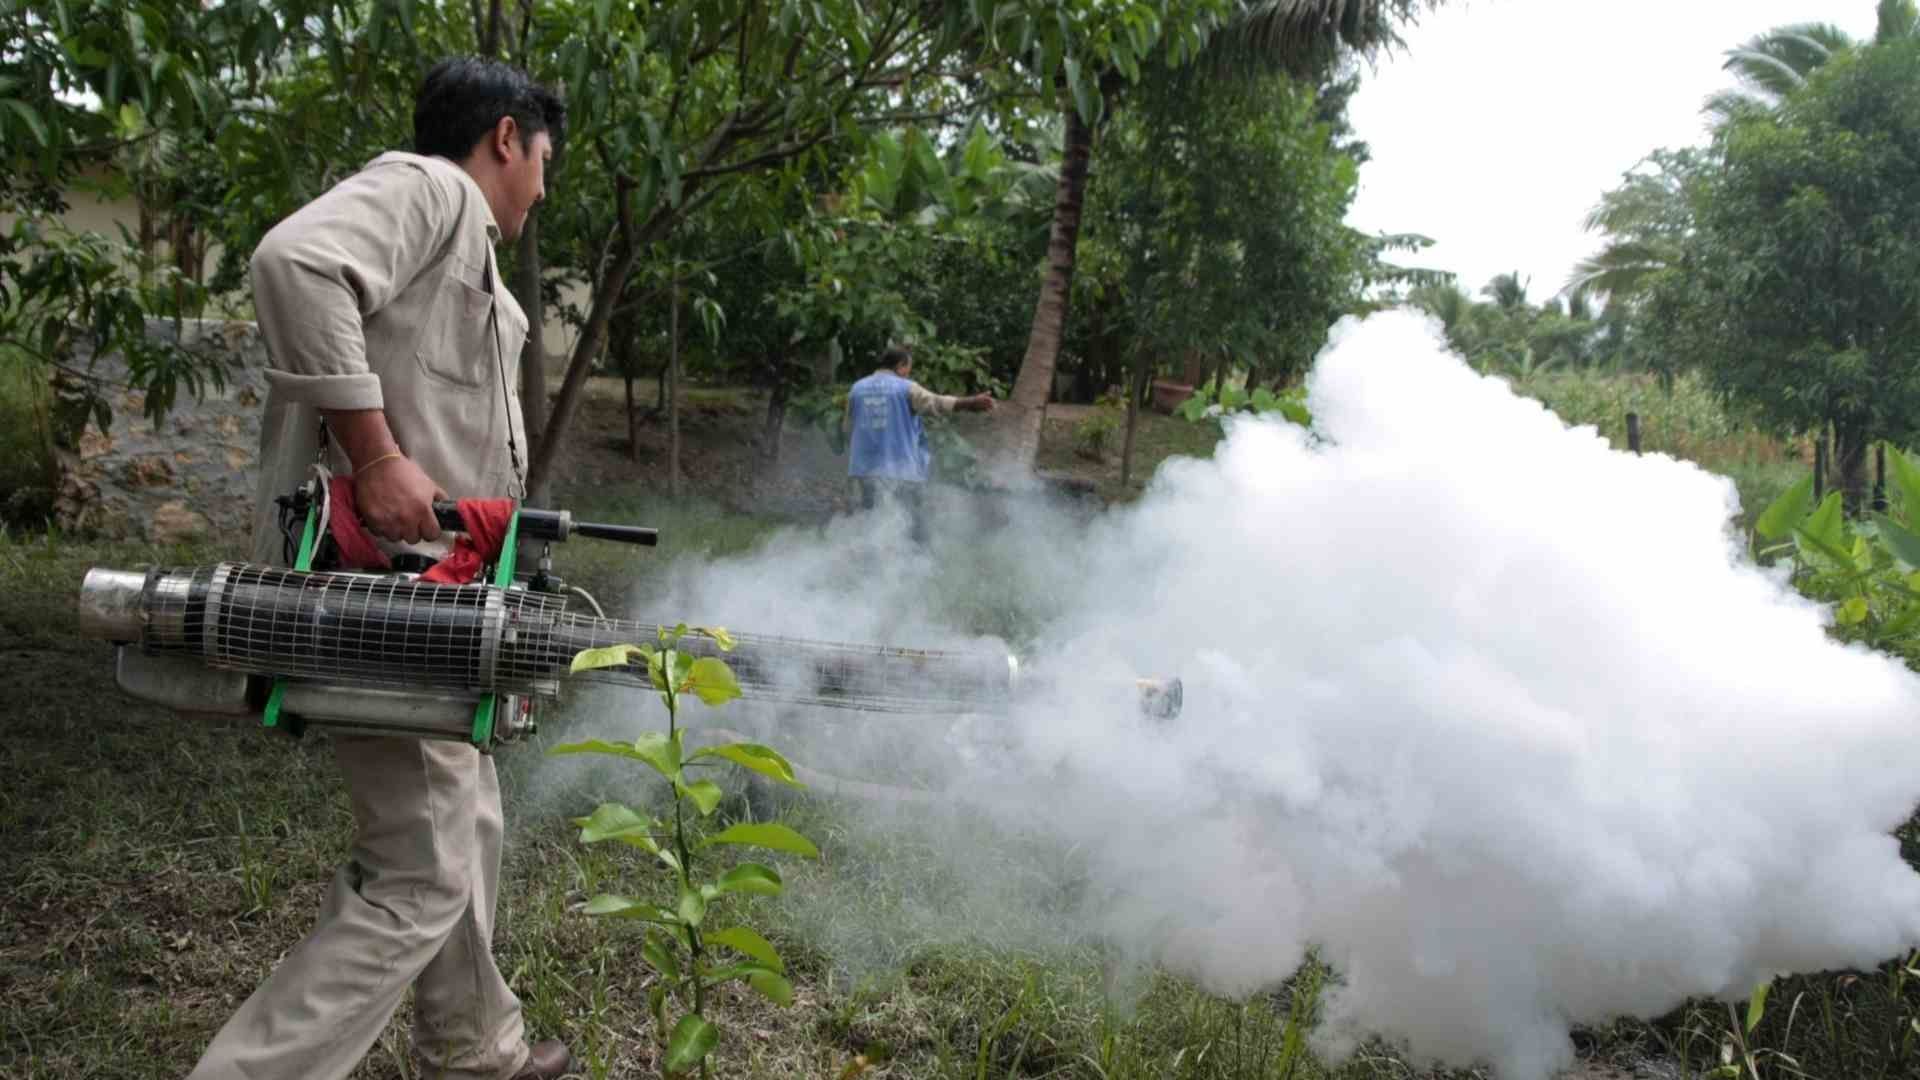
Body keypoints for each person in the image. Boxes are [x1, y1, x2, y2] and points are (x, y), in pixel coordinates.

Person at [190, 58, 572, 1080]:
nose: (545, 185)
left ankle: (475, 1049)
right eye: (545, 160)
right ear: (507, 138)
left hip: (436, 597)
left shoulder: (479, 265)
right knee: (422, 869)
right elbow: (294, 262)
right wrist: (377, 454)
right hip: (380, 593)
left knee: (463, 814)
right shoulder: (434, 190)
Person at [845, 345, 995, 541]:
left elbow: (847, 428)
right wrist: (971, 402)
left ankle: (871, 566)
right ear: (901, 365)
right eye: (908, 368)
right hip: (901, 471)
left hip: (864, 470)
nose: (908, 373)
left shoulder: (857, 388)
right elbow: (937, 402)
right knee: (913, 527)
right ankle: (917, 566)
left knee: (872, 522)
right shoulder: (905, 387)